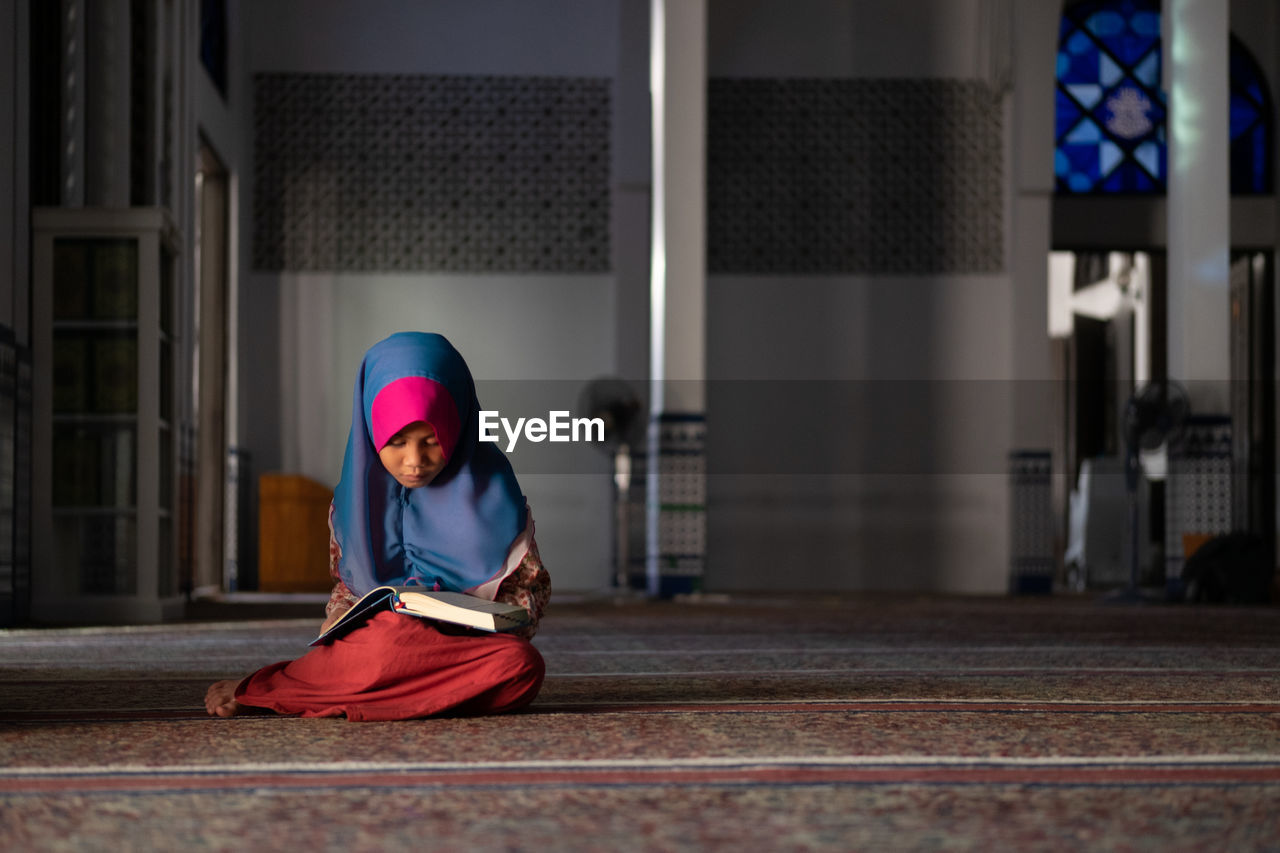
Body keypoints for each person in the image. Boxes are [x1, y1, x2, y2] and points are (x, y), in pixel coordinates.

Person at [205, 332, 550, 721]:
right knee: (390, 638)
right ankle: (406, 694)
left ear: (459, 424)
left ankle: (326, 688)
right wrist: (339, 618)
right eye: (397, 441)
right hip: (382, 641)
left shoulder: (496, 495)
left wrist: (487, 618)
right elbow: (347, 587)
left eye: (431, 440)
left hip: (463, 649)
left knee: (521, 666)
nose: (414, 461)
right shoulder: (354, 501)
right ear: (371, 430)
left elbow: (528, 590)